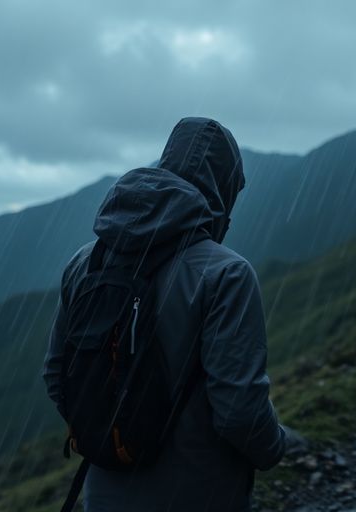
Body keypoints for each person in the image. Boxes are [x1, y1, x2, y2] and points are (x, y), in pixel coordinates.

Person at [42, 117, 297, 511]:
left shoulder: (85, 262)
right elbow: (239, 413)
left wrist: (116, 434)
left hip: (105, 495)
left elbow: (58, 376)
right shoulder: (226, 274)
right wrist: (275, 446)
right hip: (202, 494)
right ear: (225, 192)